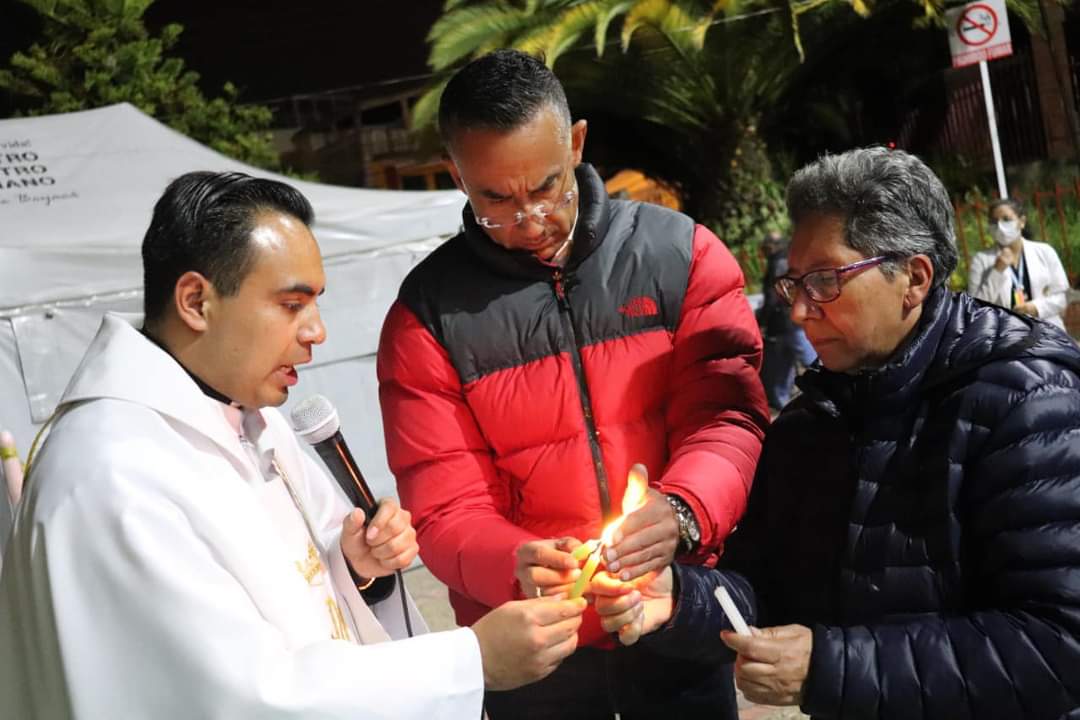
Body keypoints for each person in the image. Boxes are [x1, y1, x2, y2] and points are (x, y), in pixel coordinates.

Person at [0, 171, 586, 719]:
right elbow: (238, 699)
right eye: (291, 304)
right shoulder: (111, 472)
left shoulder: (246, 416)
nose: (316, 331)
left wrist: (357, 567)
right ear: (196, 301)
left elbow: (303, 593)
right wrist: (470, 661)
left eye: (317, 302)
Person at [591, 147, 1080, 719]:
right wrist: (677, 602)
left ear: (914, 278)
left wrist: (831, 666)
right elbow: (763, 589)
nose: (799, 312)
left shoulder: (1028, 399)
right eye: (794, 284)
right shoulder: (813, 420)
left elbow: (1059, 643)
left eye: (826, 281)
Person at [376, 49, 769, 718]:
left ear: (577, 143)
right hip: (531, 646)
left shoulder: (683, 255)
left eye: (546, 187)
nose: (528, 219)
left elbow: (729, 418)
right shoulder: (426, 318)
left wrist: (682, 510)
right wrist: (513, 561)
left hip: (669, 608)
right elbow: (443, 504)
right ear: (457, 175)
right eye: (495, 199)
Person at [968, 197, 1071, 331]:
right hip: (1007, 335)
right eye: (994, 222)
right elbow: (975, 308)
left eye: (1006, 219)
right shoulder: (981, 260)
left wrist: (1036, 308)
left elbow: (1062, 297)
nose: (1000, 226)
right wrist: (997, 271)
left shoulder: (1045, 251)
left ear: (1021, 222)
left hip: (1049, 331)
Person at [757, 230, 816, 411]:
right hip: (789, 320)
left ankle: (834, 385)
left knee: (807, 359)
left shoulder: (777, 263)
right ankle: (783, 402)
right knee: (786, 362)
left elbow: (772, 296)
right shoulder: (788, 260)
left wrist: (763, 321)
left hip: (785, 321)